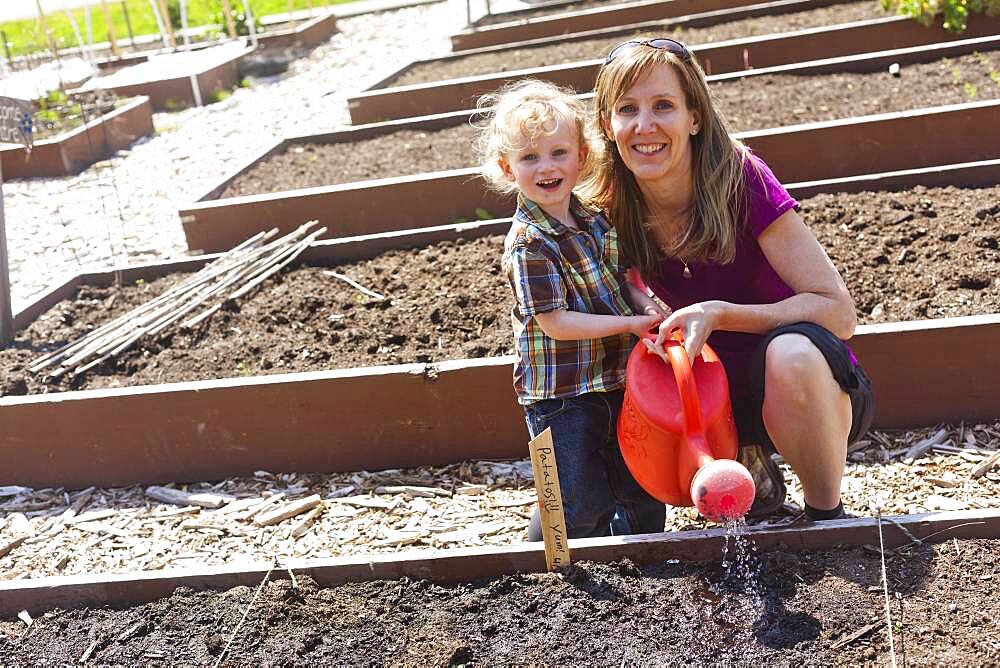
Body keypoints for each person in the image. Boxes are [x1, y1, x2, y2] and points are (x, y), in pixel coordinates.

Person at [587, 38, 875, 521]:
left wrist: (720, 315)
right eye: (627, 110)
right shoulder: (607, 205)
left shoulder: (741, 179)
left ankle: (826, 515)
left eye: (663, 106)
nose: (645, 126)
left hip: (804, 385)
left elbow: (838, 311)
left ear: (694, 117)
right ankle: (743, 463)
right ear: (607, 125)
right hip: (705, 396)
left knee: (791, 354)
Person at [476, 79, 667, 539]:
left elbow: (624, 280)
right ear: (507, 168)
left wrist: (649, 307)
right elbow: (556, 323)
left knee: (639, 482)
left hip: (619, 377)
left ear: (581, 157)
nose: (547, 167)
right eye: (529, 158)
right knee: (573, 499)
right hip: (562, 393)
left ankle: (645, 559)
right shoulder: (529, 244)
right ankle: (552, 572)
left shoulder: (595, 219)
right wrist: (631, 324)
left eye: (558, 153)